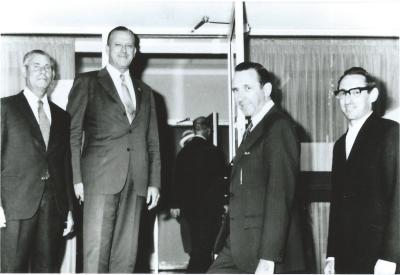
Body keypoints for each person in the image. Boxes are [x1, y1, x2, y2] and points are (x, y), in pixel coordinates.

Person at [66, 26, 161, 273]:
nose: (124, 50)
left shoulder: (147, 92)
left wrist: (154, 182)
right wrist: (76, 179)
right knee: (96, 253)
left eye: (129, 46)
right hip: (98, 180)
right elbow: (73, 134)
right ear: (107, 49)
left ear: (136, 52)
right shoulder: (87, 83)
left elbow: (153, 142)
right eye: (118, 44)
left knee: (126, 257)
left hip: (137, 182)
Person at [208, 62, 306, 274]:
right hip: (239, 244)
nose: (240, 97)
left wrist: (268, 257)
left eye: (247, 88)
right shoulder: (254, 128)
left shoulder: (278, 126)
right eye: (236, 90)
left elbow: (280, 194)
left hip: (262, 247)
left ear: (267, 89)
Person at [0, 49, 74, 272]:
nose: (43, 71)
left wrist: (68, 209)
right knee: (11, 268)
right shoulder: (5, 107)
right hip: (14, 206)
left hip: (53, 207)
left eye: (48, 67)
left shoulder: (62, 117)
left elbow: (65, 166)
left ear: (53, 75)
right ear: (25, 71)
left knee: (47, 269)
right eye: (36, 66)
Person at [325, 67, 399, 274]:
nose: (348, 99)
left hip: (380, 258)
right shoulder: (339, 146)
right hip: (346, 257)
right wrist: (331, 255)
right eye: (342, 93)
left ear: (372, 95)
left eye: (356, 92)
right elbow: (337, 204)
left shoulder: (390, 133)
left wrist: (390, 257)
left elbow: (398, 198)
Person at [170, 117, 227, 273]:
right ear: (208, 130)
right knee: (205, 248)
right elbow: (221, 182)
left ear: (195, 130)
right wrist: (225, 202)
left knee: (196, 246)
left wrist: (175, 204)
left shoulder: (183, 153)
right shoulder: (214, 152)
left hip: (189, 210)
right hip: (209, 209)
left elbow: (176, 180)